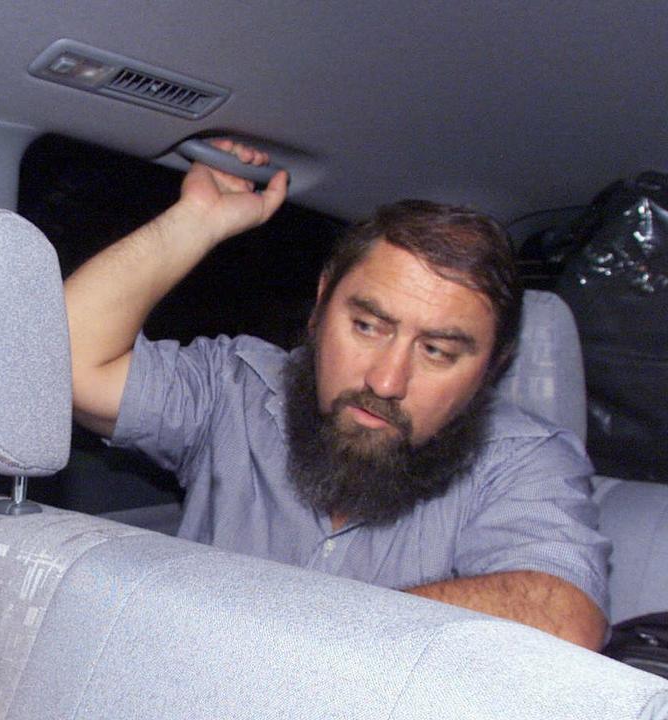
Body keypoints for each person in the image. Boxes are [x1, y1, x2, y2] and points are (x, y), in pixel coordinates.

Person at [66, 140, 609, 650]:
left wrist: (301, 634)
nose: (385, 381)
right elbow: (61, 365)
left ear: (492, 368)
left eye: (437, 352)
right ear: (322, 305)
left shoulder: (523, 461)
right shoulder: (234, 389)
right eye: (369, 326)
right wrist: (194, 224)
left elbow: (563, 617)